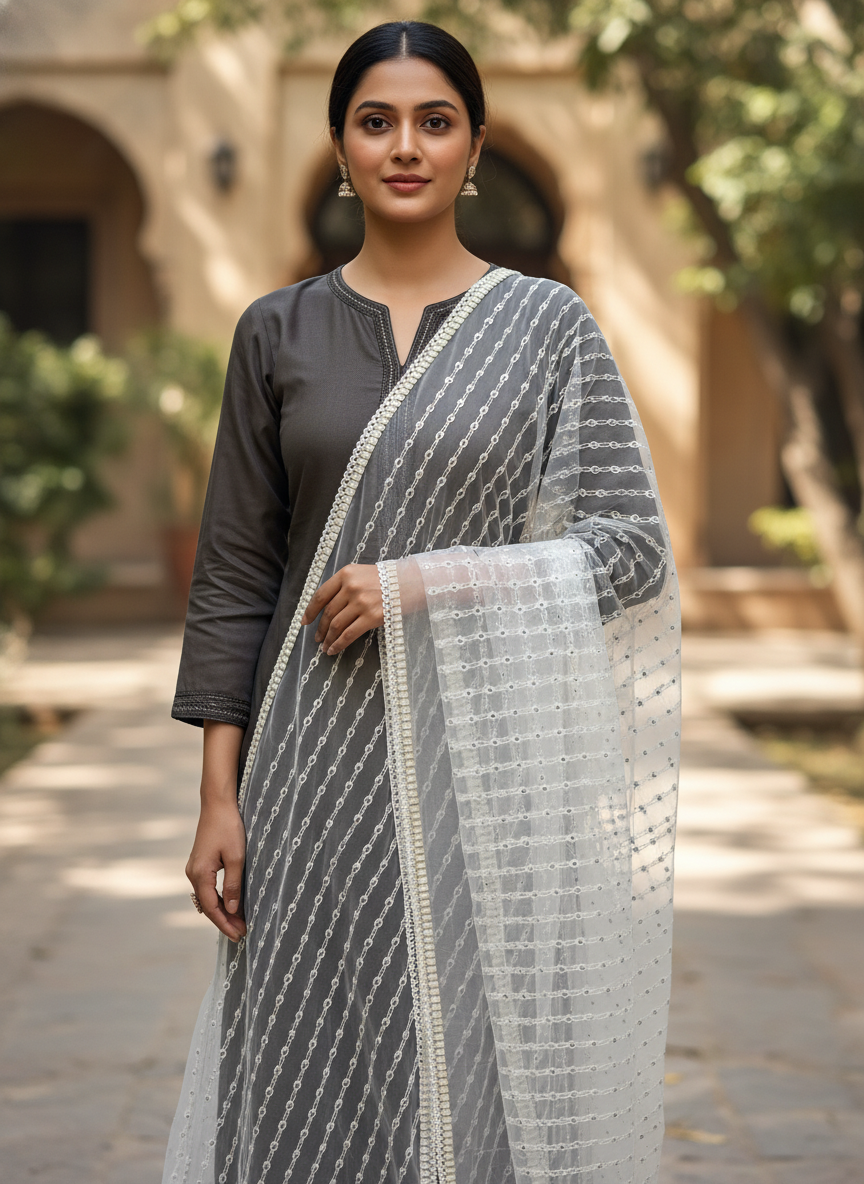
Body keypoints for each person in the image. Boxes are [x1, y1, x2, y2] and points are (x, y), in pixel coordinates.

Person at [164, 20, 680, 1184]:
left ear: (474, 147)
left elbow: (633, 549)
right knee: (300, 1064)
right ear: (341, 147)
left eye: (435, 122)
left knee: (471, 1059)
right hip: (307, 763)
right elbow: (236, 573)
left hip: (485, 767)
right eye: (377, 121)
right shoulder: (277, 331)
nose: (406, 146)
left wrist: (427, 579)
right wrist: (217, 797)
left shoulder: (547, 327)